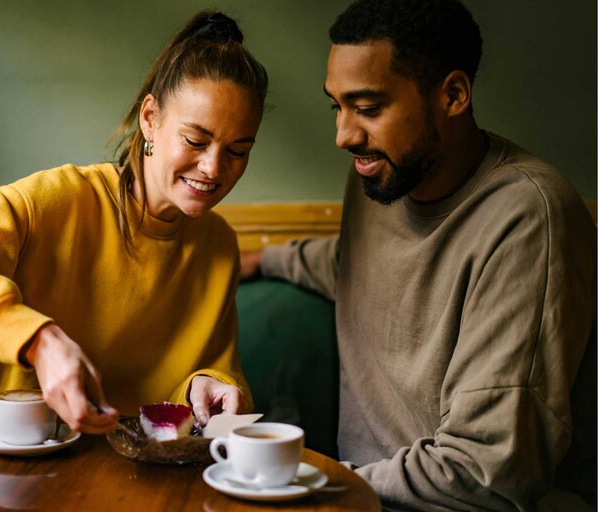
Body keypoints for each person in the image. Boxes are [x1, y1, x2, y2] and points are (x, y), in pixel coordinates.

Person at [241, 0, 596, 510]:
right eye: (336, 106)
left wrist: (320, 483)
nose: (344, 135)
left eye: (367, 108)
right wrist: (257, 259)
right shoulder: (379, 176)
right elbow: (357, 264)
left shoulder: (529, 217)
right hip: (361, 495)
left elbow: (488, 471)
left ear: (453, 95)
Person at [0, 10, 269, 434]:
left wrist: (211, 384)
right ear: (150, 119)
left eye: (237, 151)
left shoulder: (218, 245)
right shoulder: (57, 201)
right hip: (13, 464)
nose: (213, 168)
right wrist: (37, 340)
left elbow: (211, 369)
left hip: (146, 468)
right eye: (196, 140)